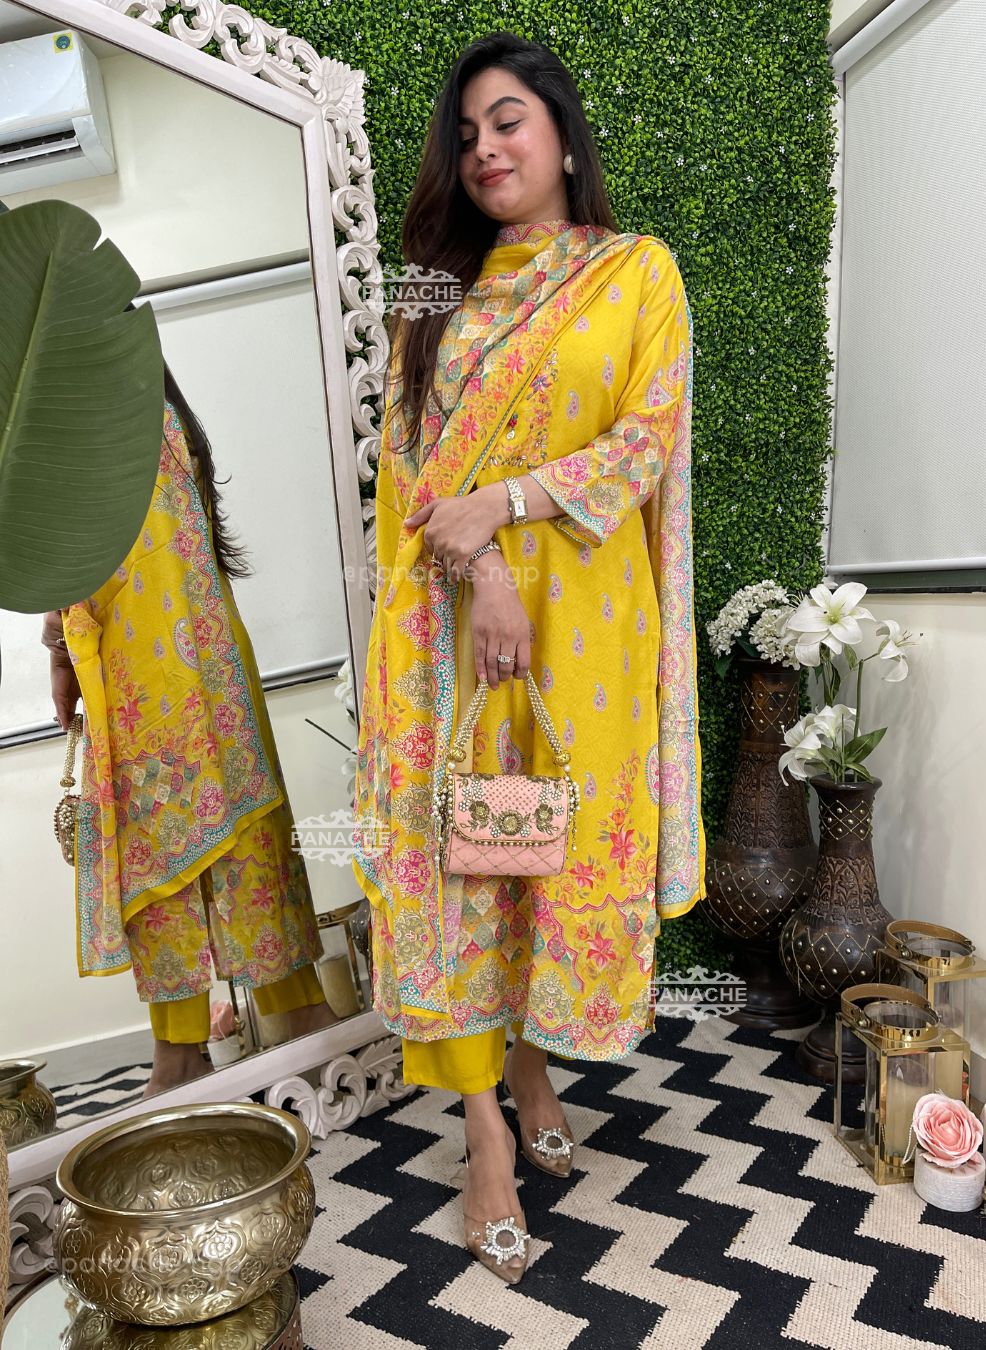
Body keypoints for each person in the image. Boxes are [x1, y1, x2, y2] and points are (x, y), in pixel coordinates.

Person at [352, 32, 706, 1283]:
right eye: (465, 136)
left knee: (537, 845)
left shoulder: (635, 272)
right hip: (454, 627)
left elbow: (644, 441)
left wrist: (507, 507)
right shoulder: (433, 294)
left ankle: (536, 1061)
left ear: (559, 129)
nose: (486, 150)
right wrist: (487, 569)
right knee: (460, 858)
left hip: (588, 634)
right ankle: (486, 1131)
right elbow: (411, 475)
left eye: (506, 120)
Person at [44, 365, 336, 1097]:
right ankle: (265, 1023)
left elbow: (82, 558)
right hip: (165, 666)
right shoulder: (151, 409)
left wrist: (58, 645)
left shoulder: (122, 419)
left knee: (194, 840)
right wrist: (60, 644)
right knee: (192, 839)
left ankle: (220, 1040)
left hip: (161, 670)